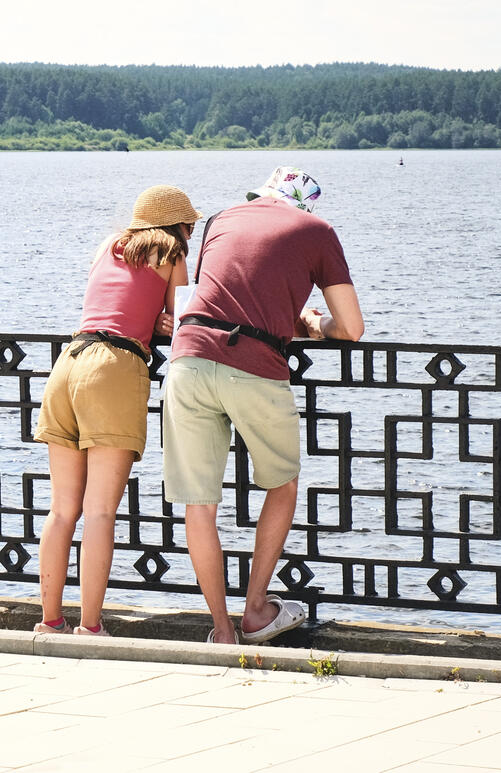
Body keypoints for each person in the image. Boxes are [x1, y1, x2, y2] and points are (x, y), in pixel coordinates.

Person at [164, 166, 363, 646]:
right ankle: (256, 611)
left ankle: (222, 630)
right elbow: (352, 327)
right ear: (303, 205)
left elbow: (231, 292)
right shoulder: (317, 230)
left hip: (187, 359)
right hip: (253, 366)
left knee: (199, 505)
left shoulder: (221, 218)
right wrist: (314, 325)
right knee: (283, 484)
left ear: (263, 195)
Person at [34, 184, 201, 637]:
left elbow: (112, 301)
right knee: (101, 511)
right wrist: (162, 320)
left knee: (62, 509)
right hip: (115, 368)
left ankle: (49, 622)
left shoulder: (109, 245)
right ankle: (90, 627)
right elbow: (183, 319)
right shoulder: (173, 254)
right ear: (178, 226)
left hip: (68, 364)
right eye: (191, 226)